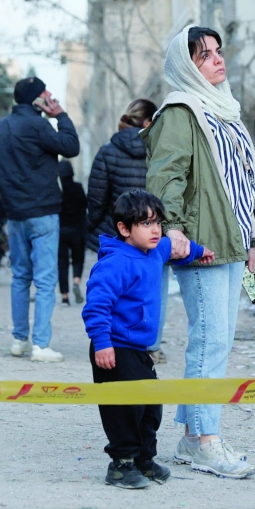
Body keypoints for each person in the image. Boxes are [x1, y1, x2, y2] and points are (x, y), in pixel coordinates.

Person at [144, 25, 255, 478]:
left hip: (232, 242)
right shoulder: (180, 111)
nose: (216, 59)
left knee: (219, 342)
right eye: (203, 55)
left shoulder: (224, 110)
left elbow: (239, 183)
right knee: (209, 342)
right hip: (201, 244)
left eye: (217, 51)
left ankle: (194, 436)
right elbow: (165, 177)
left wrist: (249, 243)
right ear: (185, 66)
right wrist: (172, 231)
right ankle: (205, 440)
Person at [82, 190, 214, 488]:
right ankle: (121, 464)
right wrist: (102, 343)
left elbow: (175, 248)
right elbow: (96, 306)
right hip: (114, 347)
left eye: (156, 222)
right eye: (145, 223)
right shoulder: (115, 263)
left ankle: (144, 459)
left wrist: (198, 251)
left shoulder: (154, 251)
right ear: (124, 229)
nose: (155, 230)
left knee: (150, 405)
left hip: (139, 349)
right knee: (124, 409)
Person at [0, 76, 79, 363]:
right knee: (45, 279)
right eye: (44, 92)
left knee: (20, 278)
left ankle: (19, 341)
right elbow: (70, 147)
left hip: (15, 215)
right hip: (43, 213)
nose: (50, 95)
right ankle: (40, 345)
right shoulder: (38, 125)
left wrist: (10, 194)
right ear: (35, 99)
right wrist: (61, 115)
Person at [86, 98, 171, 363]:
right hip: (154, 234)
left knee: (114, 289)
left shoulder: (107, 152)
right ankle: (150, 345)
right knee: (154, 289)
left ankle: (115, 339)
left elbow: (97, 198)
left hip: (118, 234)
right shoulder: (159, 153)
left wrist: (93, 228)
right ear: (149, 123)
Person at [58, 160, 87, 306]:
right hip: (77, 229)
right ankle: (76, 282)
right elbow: (84, 208)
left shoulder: (57, 191)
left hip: (61, 231)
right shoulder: (78, 188)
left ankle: (65, 296)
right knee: (78, 259)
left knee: (62, 263)